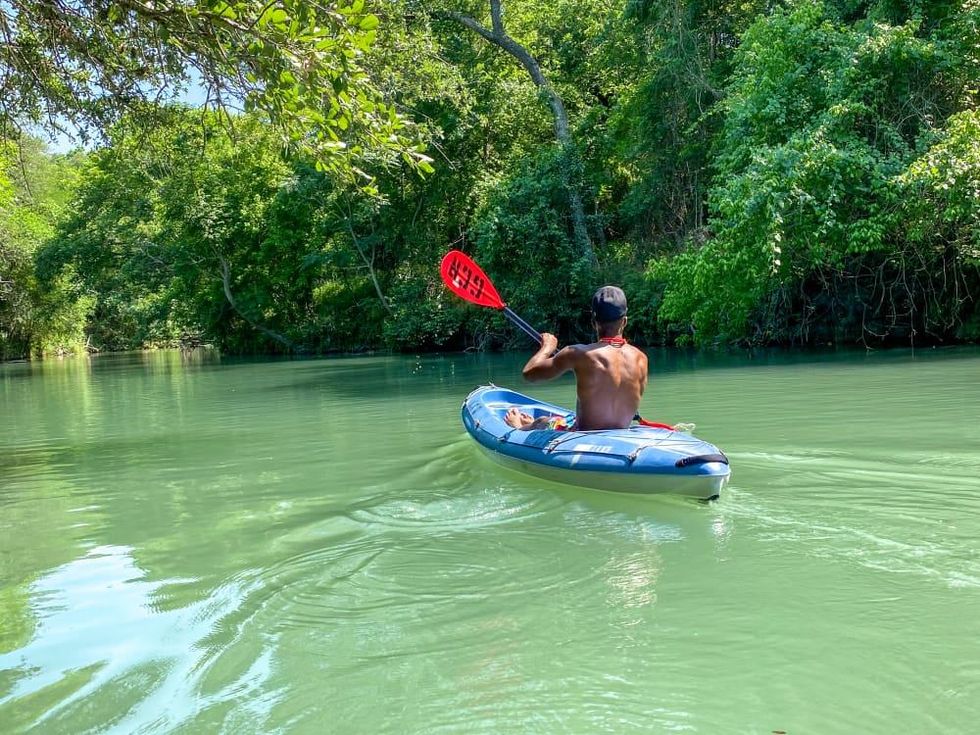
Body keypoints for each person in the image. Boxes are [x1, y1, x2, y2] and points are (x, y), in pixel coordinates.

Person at [504, 286, 648, 431]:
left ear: (593, 323)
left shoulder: (578, 354)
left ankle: (518, 427)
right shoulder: (641, 359)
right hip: (620, 435)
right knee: (546, 420)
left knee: (542, 421)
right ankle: (531, 424)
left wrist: (547, 347)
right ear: (624, 321)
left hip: (584, 434)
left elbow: (529, 374)